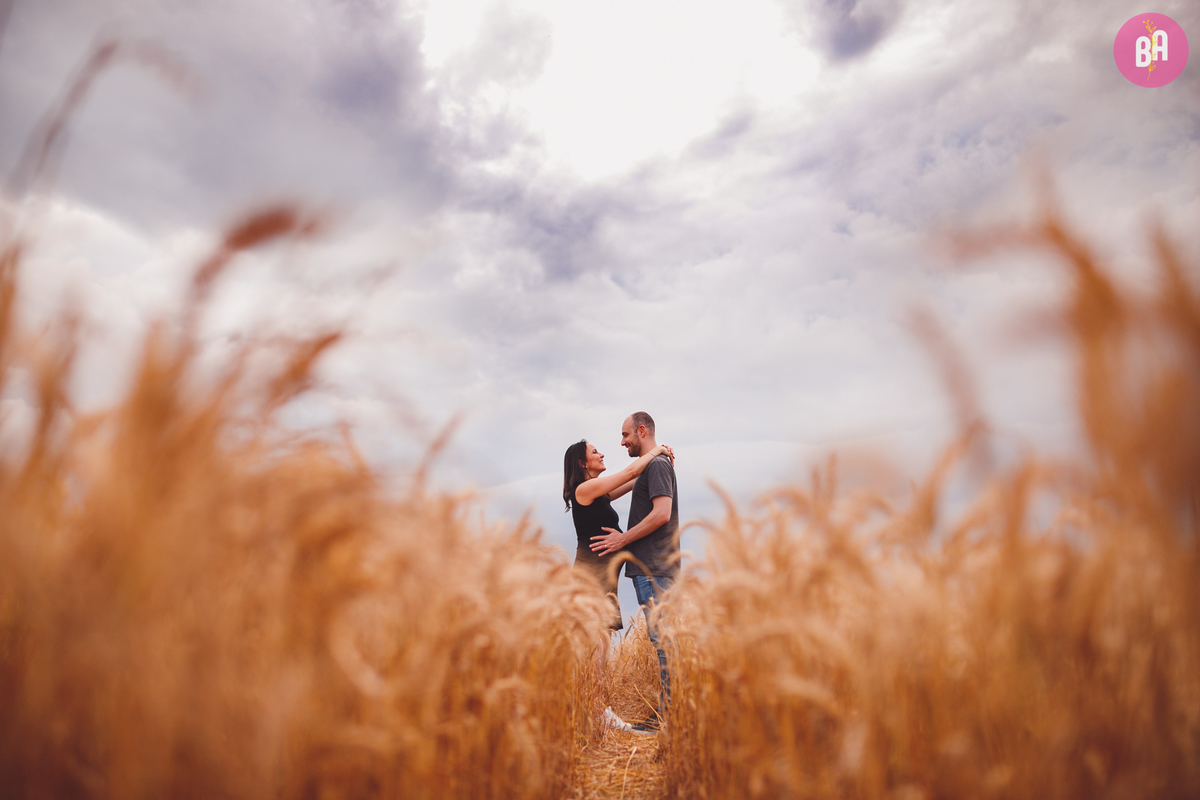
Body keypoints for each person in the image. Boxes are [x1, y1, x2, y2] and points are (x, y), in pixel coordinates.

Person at [562, 436, 674, 733]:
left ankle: (594, 709)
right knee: (594, 645)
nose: (601, 453)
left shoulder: (598, 495)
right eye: (594, 451)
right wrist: (658, 450)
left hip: (603, 578)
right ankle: (595, 711)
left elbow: (634, 482)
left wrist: (656, 463)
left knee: (599, 644)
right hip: (592, 578)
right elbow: (629, 474)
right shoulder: (584, 490)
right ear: (582, 463)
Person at [589, 411, 679, 732]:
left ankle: (670, 717)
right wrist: (659, 451)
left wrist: (623, 539)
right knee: (664, 641)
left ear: (642, 431)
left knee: (664, 642)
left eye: (626, 435)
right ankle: (669, 713)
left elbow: (662, 513)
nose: (622, 441)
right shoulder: (651, 466)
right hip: (650, 566)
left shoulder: (655, 466)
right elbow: (619, 484)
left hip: (653, 564)